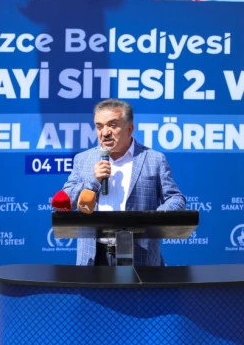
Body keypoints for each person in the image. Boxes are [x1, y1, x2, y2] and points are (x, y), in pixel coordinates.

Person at [62, 99, 186, 266]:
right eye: (99, 126)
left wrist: (154, 219)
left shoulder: (154, 159)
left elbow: (176, 199)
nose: (105, 133)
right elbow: (66, 202)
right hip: (94, 256)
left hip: (139, 255)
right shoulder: (83, 159)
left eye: (112, 125)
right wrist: (92, 181)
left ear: (130, 129)